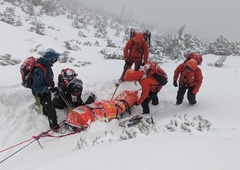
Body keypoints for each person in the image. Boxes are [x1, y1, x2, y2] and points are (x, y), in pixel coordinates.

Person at [31, 48, 60, 131]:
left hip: (45, 88)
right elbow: (36, 87)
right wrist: (49, 89)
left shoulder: (45, 65)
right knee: (50, 107)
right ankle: (54, 126)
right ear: (49, 59)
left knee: (48, 104)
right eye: (54, 60)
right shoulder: (39, 69)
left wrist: (51, 87)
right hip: (40, 91)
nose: (55, 61)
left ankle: (46, 111)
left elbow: (46, 78)